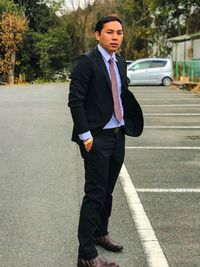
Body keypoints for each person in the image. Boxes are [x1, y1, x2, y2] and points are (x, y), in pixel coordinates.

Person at [68, 15, 143, 267]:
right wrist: (85, 137)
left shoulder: (120, 62)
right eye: (110, 32)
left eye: (119, 33)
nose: (115, 37)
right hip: (96, 138)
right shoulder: (85, 63)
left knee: (107, 191)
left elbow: (121, 93)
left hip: (117, 135)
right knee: (95, 193)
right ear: (98, 34)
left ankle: (101, 232)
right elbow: (75, 101)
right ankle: (86, 254)